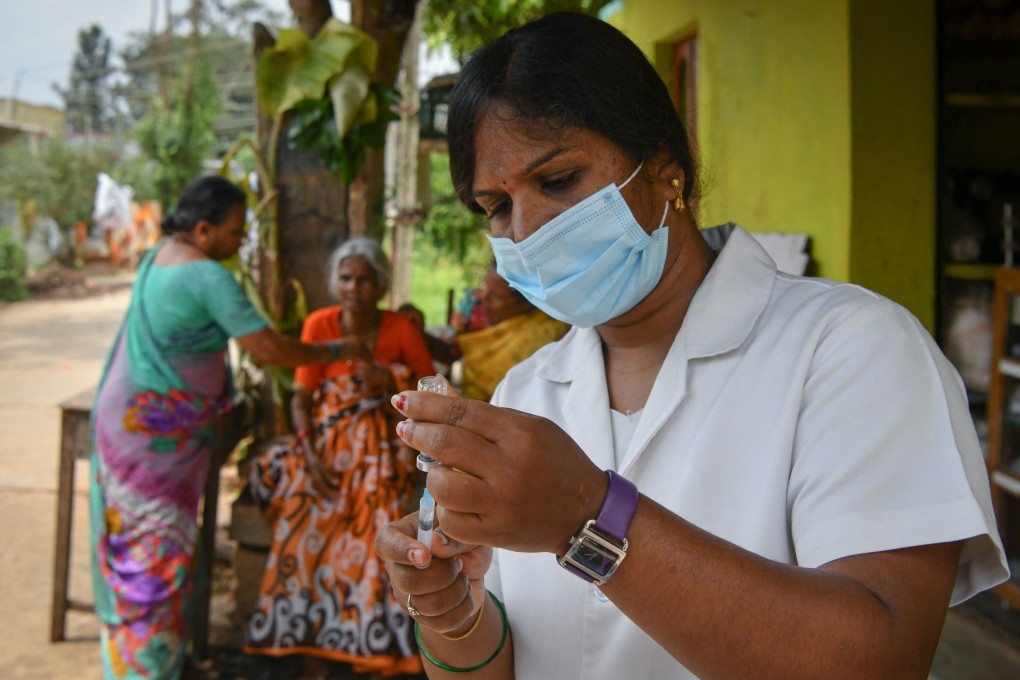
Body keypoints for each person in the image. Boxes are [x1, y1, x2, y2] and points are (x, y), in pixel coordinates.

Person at [374, 12, 1009, 680]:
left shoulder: (853, 351)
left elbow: (880, 660)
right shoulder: (528, 393)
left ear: (664, 170)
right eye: (496, 207)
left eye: (557, 180)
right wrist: (455, 616)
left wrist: (588, 518)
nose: (527, 230)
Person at [90, 175, 365, 680]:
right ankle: (143, 669)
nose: (241, 241)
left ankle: (168, 660)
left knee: (147, 545)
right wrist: (336, 351)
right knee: (155, 556)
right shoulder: (206, 277)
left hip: (131, 427)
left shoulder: (160, 257)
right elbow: (271, 351)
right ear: (202, 229)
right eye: (236, 231)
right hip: (154, 442)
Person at [244, 237, 435, 678]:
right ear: (336, 284)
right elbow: (301, 400)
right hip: (324, 452)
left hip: (382, 453)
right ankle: (310, 643)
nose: (354, 288)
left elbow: (431, 388)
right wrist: (309, 458)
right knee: (303, 520)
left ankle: (363, 641)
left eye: (364, 279)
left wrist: (390, 378)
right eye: (346, 279)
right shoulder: (319, 324)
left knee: (377, 524)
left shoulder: (400, 331)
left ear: (380, 285)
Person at [454, 263, 567, 401]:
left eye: (496, 296)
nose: (484, 297)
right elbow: (450, 348)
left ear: (525, 303)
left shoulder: (549, 333)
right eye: (485, 287)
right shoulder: (472, 306)